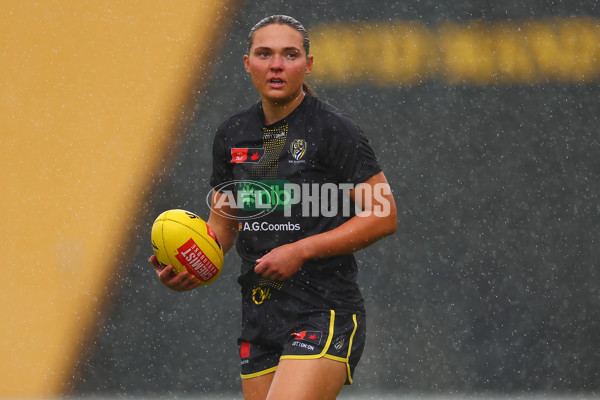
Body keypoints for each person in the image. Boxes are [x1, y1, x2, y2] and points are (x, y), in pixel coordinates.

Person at [150, 15, 397, 400]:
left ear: (308, 65)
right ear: (247, 63)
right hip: (261, 314)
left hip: (324, 310)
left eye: (290, 54)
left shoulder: (333, 129)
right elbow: (222, 227)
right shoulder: (233, 134)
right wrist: (192, 260)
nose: (276, 64)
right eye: (264, 54)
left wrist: (301, 250)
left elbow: (384, 215)